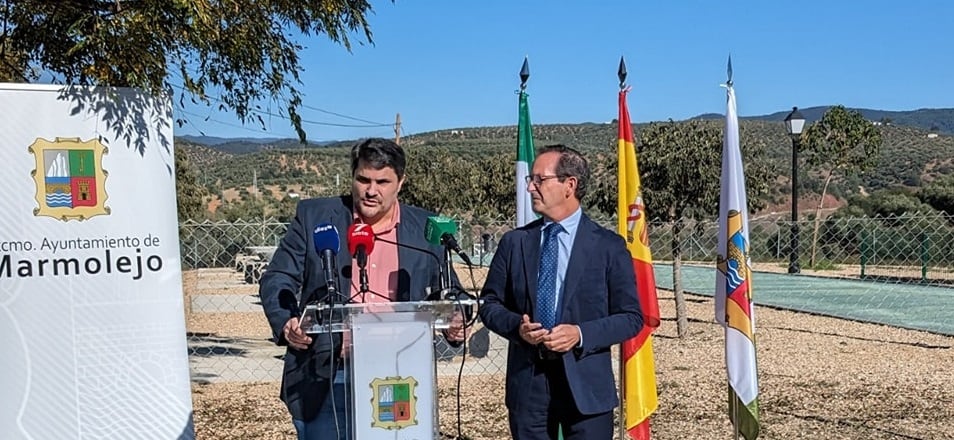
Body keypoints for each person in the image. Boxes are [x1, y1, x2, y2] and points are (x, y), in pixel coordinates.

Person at [259, 137, 466, 440]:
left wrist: (456, 319)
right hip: (328, 372)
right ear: (352, 176)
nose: (371, 191)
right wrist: (289, 320)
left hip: (399, 370)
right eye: (363, 179)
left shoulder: (426, 228)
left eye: (382, 181)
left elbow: (449, 291)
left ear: (401, 182)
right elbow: (277, 278)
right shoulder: (314, 218)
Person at [478, 145, 643, 440]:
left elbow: (630, 318)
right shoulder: (514, 243)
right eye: (531, 179)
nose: (530, 187)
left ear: (570, 185)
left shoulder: (608, 247)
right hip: (528, 385)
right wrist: (518, 327)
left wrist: (579, 333)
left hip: (586, 387)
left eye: (540, 179)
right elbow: (489, 304)